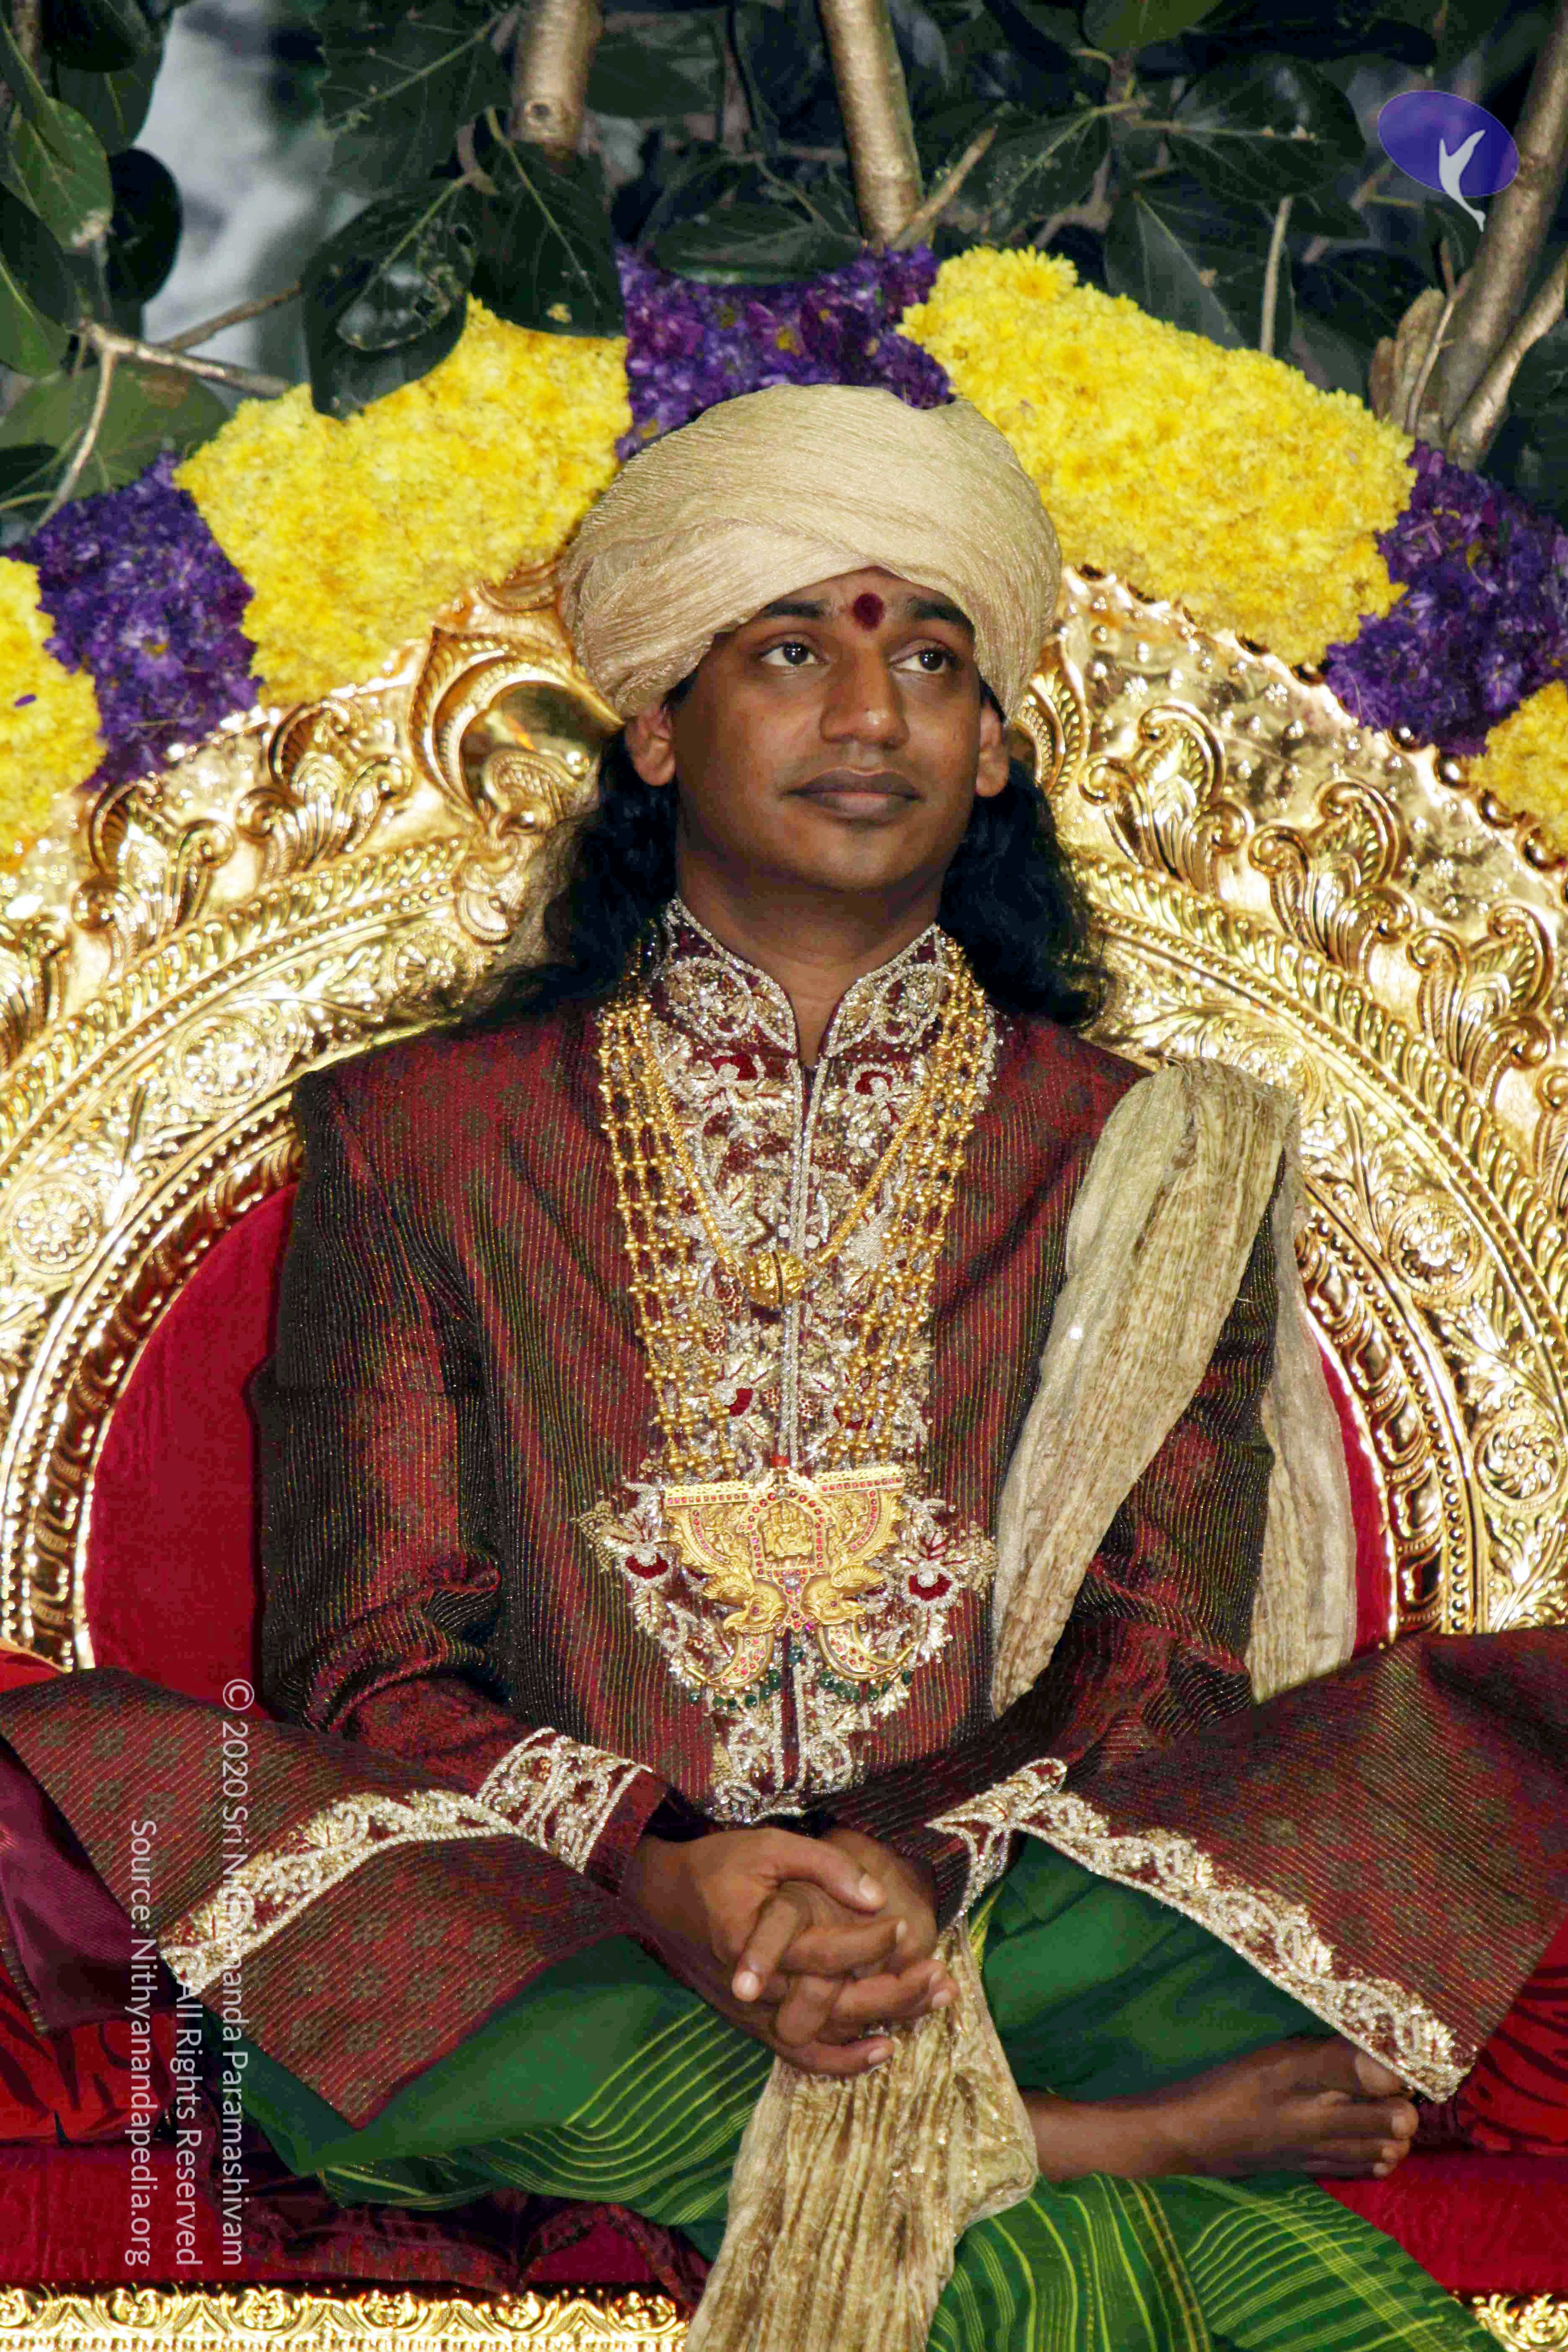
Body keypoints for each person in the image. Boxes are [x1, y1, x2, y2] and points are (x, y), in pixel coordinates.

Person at [0, 384, 1562, 2352]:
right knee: (253, 1884)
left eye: (933, 658)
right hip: (562, 1917)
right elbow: (368, 1665)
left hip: (1015, 1918)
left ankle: (917, 2103)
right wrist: (673, 1874)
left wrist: (877, 1873)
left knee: (1433, 1763)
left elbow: (1161, 1656)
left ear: (996, 748)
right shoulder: (424, 1137)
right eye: (794, 649)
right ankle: (1075, 2150)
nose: (872, 710)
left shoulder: (1151, 1152)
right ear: (659, 726)